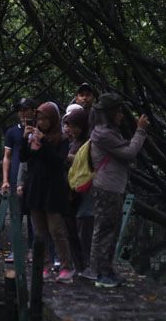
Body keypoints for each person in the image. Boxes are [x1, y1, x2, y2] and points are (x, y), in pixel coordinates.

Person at [86, 93, 150, 287]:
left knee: (110, 230)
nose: (121, 115)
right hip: (107, 188)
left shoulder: (107, 132)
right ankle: (100, 273)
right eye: (118, 111)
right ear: (109, 113)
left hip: (111, 187)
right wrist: (140, 131)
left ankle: (106, 271)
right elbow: (130, 152)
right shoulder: (104, 134)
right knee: (105, 230)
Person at [21, 102, 74, 283]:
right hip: (36, 188)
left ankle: (66, 267)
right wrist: (25, 139)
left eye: (45, 118)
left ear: (53, 119)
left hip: (53, 189)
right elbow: (23, 157)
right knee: (39, 231)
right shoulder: (34, 138)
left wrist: (43, 141)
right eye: (39, 119)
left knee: (56, 229)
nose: (41, 122)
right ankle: (44, 265)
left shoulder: (62, 139)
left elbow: (58, 161)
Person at [1, 97, 37, 263]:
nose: (23, 114)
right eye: (21, 110)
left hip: (34, 179)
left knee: (34, 217)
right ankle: (15, 250)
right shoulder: (12, 132)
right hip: (16, 179)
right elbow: (7, 157)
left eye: (27, 110)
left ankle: (32, 250)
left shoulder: (38, 130)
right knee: (16, 215)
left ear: (33, 111)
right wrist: (5, 179)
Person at [63, 107, 94, 274]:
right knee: (71, 231)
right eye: (69, 126)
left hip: (85, 193)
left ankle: (86, 265)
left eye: (75, 126)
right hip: (72, 193)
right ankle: (78, 266)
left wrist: (68, 158)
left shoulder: (89, 142)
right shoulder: (72, 142)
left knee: (84, 229)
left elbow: (88, 162)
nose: (72, 130)